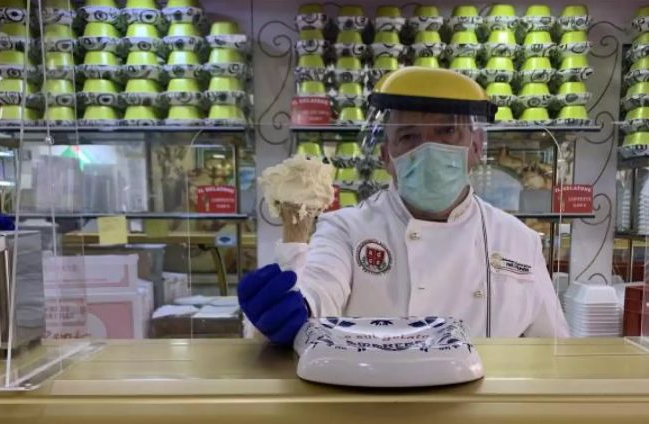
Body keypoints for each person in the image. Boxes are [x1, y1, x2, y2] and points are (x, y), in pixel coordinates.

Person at [239, 67, 570, 345]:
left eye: (447, 131)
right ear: (387, 157)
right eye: (409, 136)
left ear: (476, 146)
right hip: (377, 411)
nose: (429, 148)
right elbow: (320, 287)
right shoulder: (347, 229)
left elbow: (553, 348)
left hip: (481, 415)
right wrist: (294, 307)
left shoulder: (517, 240)